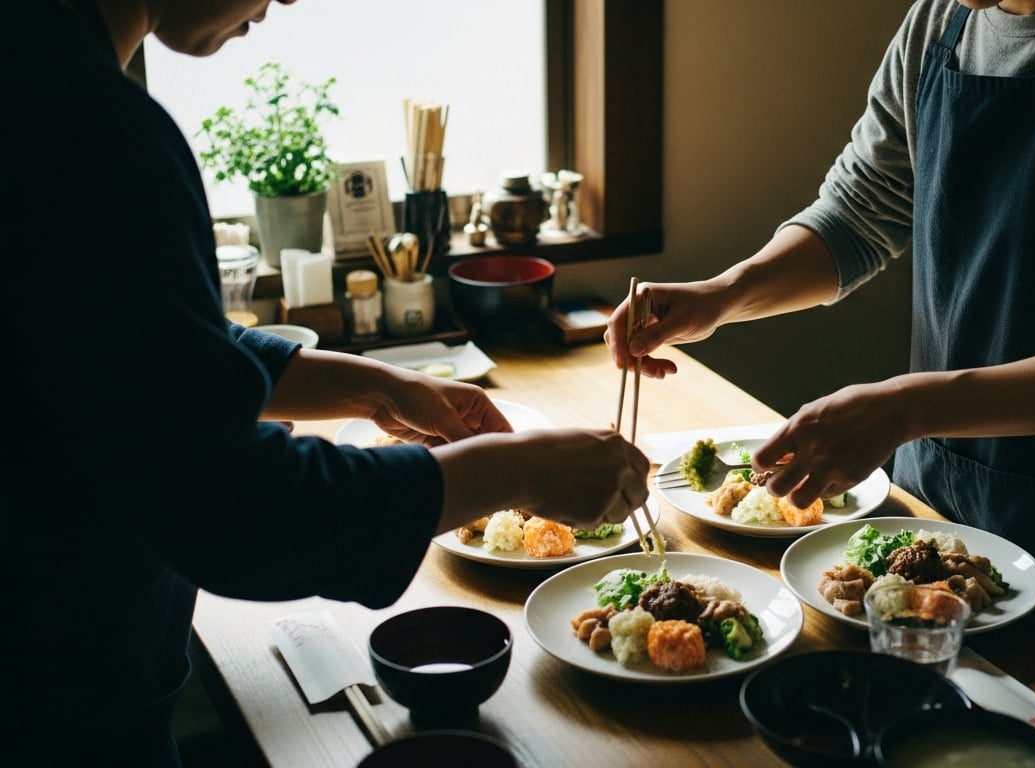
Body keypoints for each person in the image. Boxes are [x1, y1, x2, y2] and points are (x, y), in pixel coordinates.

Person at [5, 1, 650, 765]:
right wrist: (514, 470)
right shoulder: (88, 127)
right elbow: (230, 505)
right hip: (54, 703)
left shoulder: (36, 68)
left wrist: (374, 387)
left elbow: (138, 353)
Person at [609, 0, 1035, 661]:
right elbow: (859, 213)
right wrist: (723, 296)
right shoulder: (942, 21)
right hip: (938, 503)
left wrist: (906, 408)